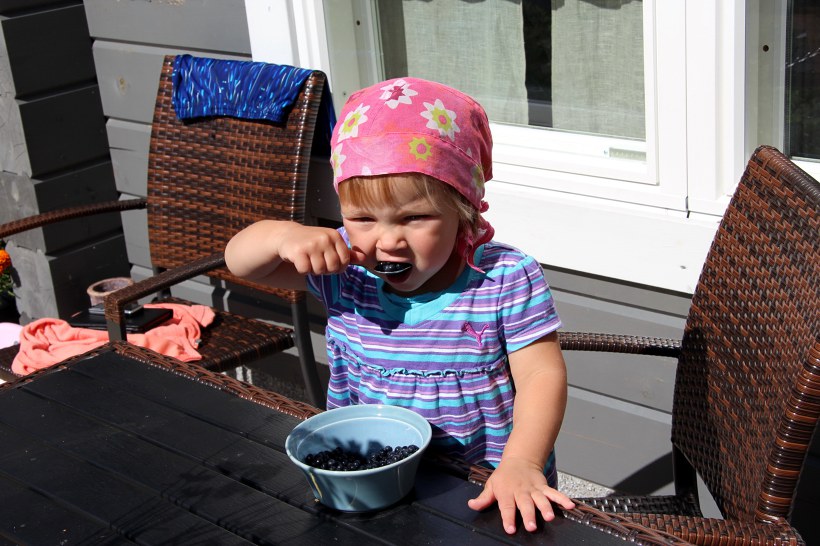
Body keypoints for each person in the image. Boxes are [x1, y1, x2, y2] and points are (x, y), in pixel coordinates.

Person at [225, 77, 575, 534]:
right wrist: (280, 234)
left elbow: (541, 376)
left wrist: (523, 463)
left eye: (414, 217)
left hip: (488, 481)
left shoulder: (503, 278)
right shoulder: (345, 269)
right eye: (363, 218)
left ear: (464, 210)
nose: (387, 241)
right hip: (373, 478)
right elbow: (241, 263)